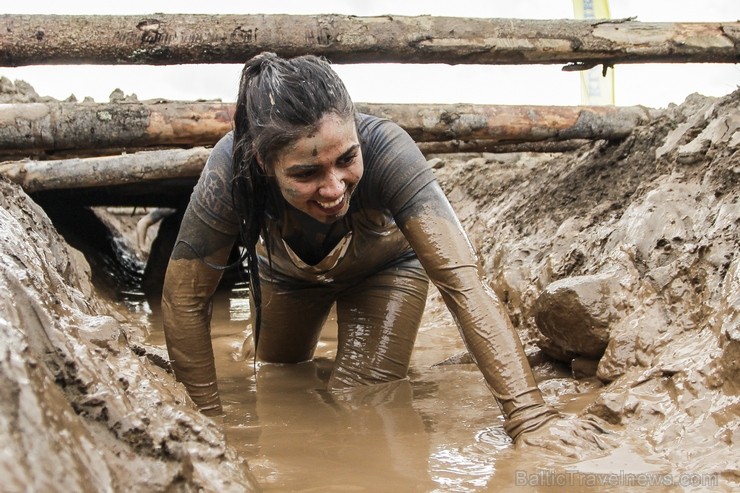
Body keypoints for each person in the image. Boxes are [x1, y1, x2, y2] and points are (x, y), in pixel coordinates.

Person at [161, 52, 610, 450]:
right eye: (305, 173)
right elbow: (184, 299)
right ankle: (253, 342)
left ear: (357, 133)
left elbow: (462, 282)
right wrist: (208, 424)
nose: (333, 188)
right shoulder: (229, 172)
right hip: (285, 275)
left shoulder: (389, 149)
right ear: (263, 162)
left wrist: (529, 416)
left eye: (346, 160)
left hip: (386, 269)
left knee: (362, 392)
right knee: (277, 370)